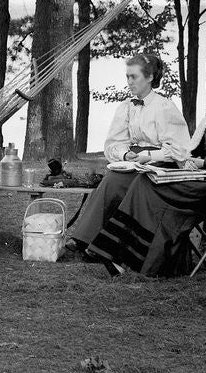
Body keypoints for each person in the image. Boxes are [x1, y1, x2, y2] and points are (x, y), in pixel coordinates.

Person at [84, 65, 206, 276]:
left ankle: (143, 261)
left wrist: (205, 163)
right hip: (201, 179)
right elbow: (194, 152)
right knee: (145, 181)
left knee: (151, 189)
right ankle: (122, 256)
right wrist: (186, 162)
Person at [66, 53, 191, 252]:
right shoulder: (126, 107)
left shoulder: (164, 107)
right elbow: (113, 143)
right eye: (127, 77)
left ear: (149, 77)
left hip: (162, 166)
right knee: (112, 179)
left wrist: (149, 157)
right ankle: (88, 240)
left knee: (120, 182)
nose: (129, 82)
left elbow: (180, 149)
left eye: (134, 77)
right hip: (134, 161)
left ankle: (100, 244)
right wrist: (126, 155)